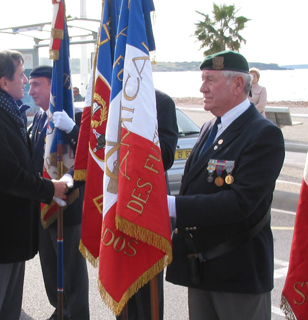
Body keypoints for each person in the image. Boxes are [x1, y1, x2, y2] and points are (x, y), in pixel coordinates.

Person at [165, 50, 285, 319]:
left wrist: (172, 206)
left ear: (238, 85)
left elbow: (240, 203)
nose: (202, 87)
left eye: (210, 79)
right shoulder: (210, 127)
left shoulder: (263, 134)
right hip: (201, 269)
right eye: (203, 79)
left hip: (237, 274)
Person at [0, 50, 68, 319]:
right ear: (3, 83)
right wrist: (50, 189)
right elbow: (9, 176)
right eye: (20, 75)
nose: (24, 81)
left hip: (9, 236)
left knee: (8, 313)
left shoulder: (6, 113)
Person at [28, 65, 89, 320]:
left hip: (67, 204)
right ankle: (61, 310)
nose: (30, 91)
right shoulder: (41, 117)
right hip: (43, 205)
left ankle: (76, 315)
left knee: (71, 273)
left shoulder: (72, 116)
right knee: (51, 270)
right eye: (29, 85)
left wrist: (74, 129)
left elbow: (90, 156)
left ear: (53, 87)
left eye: (36, 85)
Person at [116, 89, 178, 320]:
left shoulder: (160, 101)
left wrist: (136, 141)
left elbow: (167, 157)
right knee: (120, 290)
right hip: (115, 207)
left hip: (144, 206)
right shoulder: (112, 100)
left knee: (146, 298)